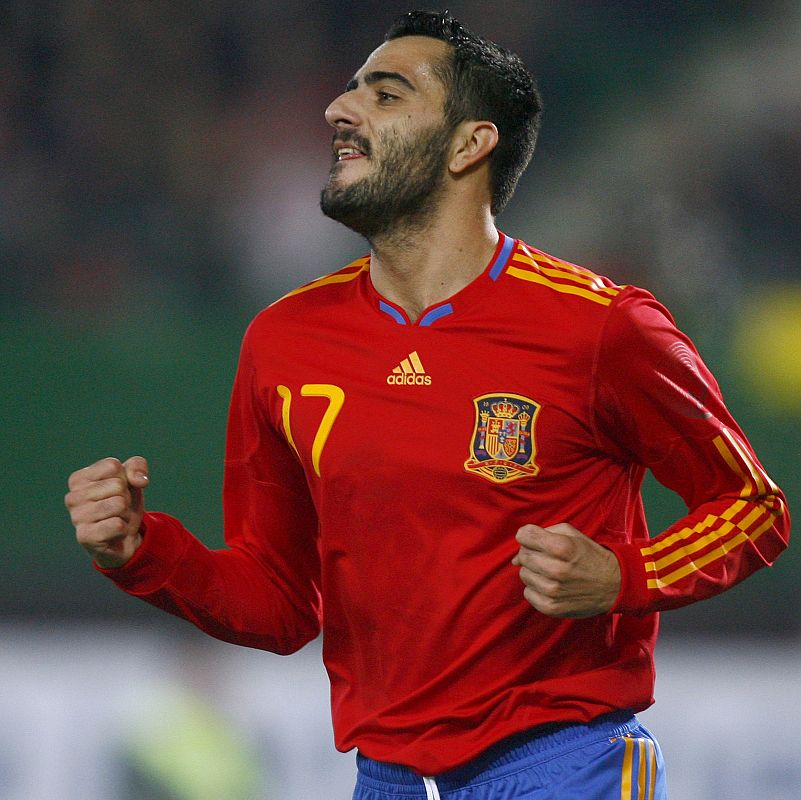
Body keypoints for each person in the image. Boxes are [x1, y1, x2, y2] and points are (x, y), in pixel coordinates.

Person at [65, 10, 790, 800]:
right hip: (387, 780)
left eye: (384, 95)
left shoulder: (602, 327)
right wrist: (142, 553)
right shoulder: (283, 342)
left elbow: (752, 508)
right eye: (348, 91)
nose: (338, 111)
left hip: (562, 761)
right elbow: (279, 602)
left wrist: (627, 574)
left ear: (467, 144)